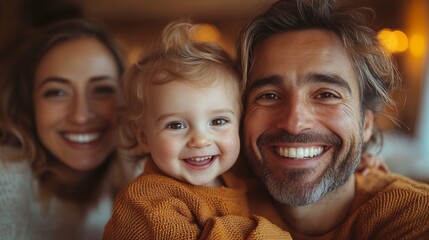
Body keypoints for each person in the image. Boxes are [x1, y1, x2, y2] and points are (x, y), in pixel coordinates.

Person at [238, 0, 429, 239]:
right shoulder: (206, 207)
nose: (294, 123)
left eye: (326, 95)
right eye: (269, 95)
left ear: (366, 123)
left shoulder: (415, 217)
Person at [102, 21, 292, 239]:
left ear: (240, 123)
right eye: (176, 125)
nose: (200, 140)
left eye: (218, 121)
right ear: (143, 136)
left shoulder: (237, 180)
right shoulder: (145, 201)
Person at [0, 19, 129, 240]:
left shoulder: (137, 177)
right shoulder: (6, 180)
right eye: (57, 92)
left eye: (102, 90)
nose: (80, 115)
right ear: (29, 105)